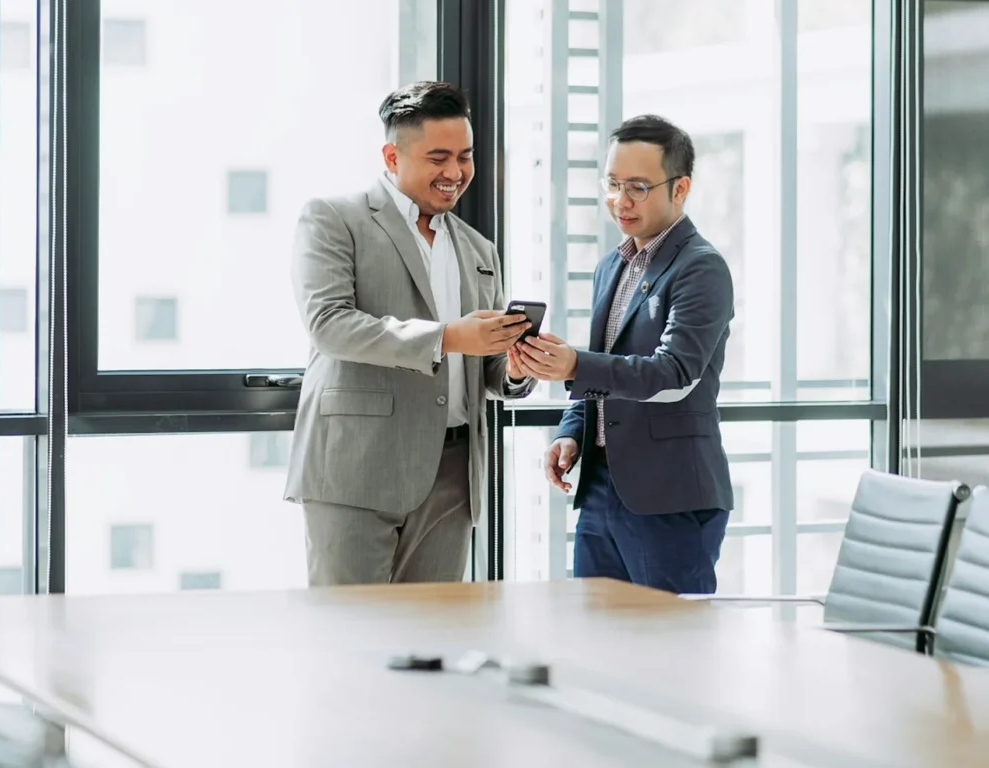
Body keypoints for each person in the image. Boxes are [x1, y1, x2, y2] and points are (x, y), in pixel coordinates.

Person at [284, 81, 534, 587]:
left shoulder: (479, 249)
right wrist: (445, 337)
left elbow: (480, 365)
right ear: (391, 155)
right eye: (438, 157)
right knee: (351, 637)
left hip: (455, 475)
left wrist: (512, 367)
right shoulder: (334, 219)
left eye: (465, 156)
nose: (455, 172)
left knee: (433, 641)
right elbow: (329, 325)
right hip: (357, 465)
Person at [512, 115, 735, 594]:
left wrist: (573, 364)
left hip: (668, 497)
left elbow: (674, 374)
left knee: (670, 652)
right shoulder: (612, 265)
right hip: (600, 489)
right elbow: (605, 367)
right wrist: (573, 432)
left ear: (680, 189)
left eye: (637, 186)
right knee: (598, 645)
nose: (620, 201)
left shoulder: (701, 268)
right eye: (612, 184)